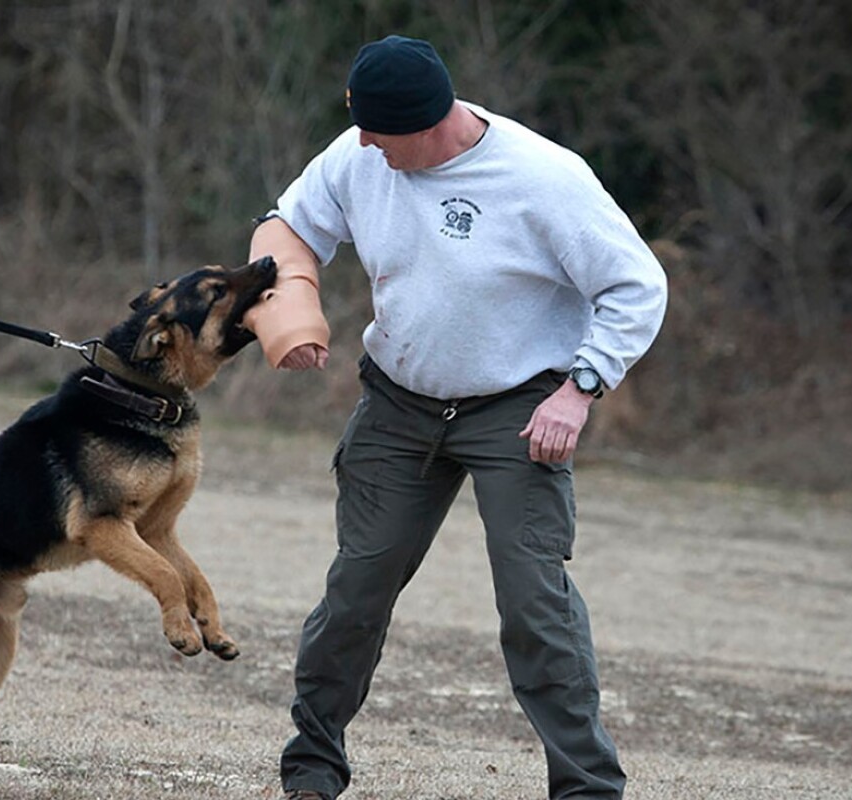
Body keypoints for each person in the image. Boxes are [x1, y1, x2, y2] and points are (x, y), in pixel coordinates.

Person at [243, 34, 667, 800]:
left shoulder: (544, 179)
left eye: (379, 132)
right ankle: (311, 769)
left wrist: (580, 388)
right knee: (357, 591)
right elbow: (288, 227)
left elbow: (637, 286)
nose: (364, 144)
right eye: (360, 127)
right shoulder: (358, 155)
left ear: (429, 123)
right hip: (399, 403)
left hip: (516, 408)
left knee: (534, 603)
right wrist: (290, 310)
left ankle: (587, 788)